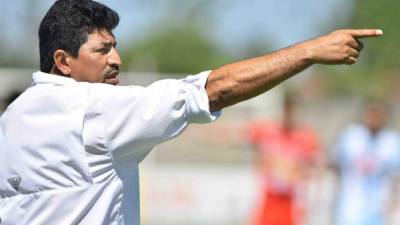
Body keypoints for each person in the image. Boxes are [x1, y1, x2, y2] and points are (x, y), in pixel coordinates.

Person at [0, 0, 382, 224]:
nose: (116, 59)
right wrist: (309, 51)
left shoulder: (11, 120)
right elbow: (210, 90)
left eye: (115, 47)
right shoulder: (94, 108)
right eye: (102, 50)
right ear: (63, 61)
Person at [247, 92, 320, 225]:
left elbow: (313, 168)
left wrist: (293, 171)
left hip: (291, 199)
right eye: (287, 110)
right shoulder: (268, 131)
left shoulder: (306, 137)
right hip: (269, 197)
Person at [331, 99, 400, 225]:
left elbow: (396, 176)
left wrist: (393, 203)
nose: (374, 117)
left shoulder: (392, 142)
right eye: (371, 112)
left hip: (379, 212)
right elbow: (335, 164)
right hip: (350, 210)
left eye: (378, 113)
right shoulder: (351, 136)